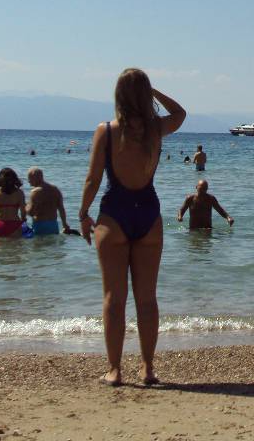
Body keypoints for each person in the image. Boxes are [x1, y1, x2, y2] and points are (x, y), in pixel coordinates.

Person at [78, 69, 186, 387]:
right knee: (147, 299)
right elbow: (180, 113)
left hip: (114, 214)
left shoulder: (106, 131)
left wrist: (83, 214)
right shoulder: (156, 129)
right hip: (148, 214)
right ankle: (148, 368)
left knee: (114, 298)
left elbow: (93, 179)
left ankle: (114, 370)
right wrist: (153, 92)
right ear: (145, 95)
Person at [0, 167, 27, 237]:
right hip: (14, 225)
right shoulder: (19, 193)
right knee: (16, 244)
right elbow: (23, 212)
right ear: (14, 179)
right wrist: (24, 222)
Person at [26, 167, 73, 235]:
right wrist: (64, 224)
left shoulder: (35, 192)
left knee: (39, 242)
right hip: (53, 225)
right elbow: (61, 209)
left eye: (29, 178)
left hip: (40, 225)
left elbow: (31, 213)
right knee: (53, 242)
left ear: (34, 177)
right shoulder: (55, 189)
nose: (28, 181)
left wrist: (25, 206)